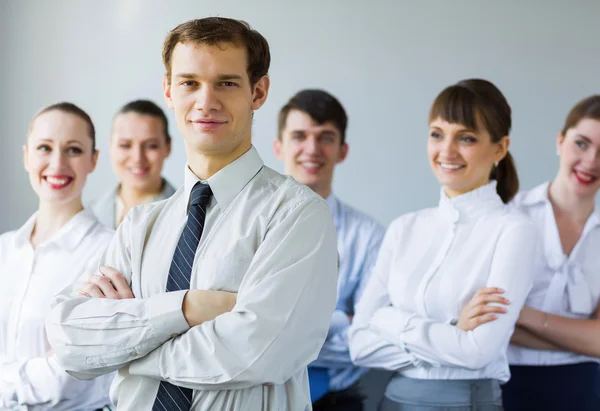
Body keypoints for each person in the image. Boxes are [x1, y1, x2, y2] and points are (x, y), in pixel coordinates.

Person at [46, 17, 338, 411]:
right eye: (189, 83)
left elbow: (257, 352)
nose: (206, 101)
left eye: (226, 83)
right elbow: (69, 341)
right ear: (169, 90)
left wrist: (128, 354)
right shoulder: (140, 225)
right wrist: (187, 308)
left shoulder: (297, 215)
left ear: (258, 92)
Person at [348, 79, 539, 410]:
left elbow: (478, 352)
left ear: (500, 148)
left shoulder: (514, 231)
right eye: (437, 134)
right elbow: (359, 345)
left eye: (466, 138)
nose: (447, 151)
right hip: (393, 401)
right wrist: (451, 330)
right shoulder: (403, 228)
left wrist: (387, 320)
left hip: (464, 403)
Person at [459, 95, 600, 410]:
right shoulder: (508, 214)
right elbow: (473, 313)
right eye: (582, 143)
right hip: (501, 383)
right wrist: (581, 337)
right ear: (560, 142)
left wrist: (518, 315)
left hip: (582, 392)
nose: (591, 161)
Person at [274, 89, 385, 410]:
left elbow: (371, 337)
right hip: (254, 396)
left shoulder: (370, 236)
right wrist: (340, 319)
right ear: (279, 146)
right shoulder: (246, 227)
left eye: (325, 137)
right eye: (299, 136)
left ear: (342, 150)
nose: (312, 149)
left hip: (338, 402)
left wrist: (281, 332)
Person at [0, 103, 114, 410]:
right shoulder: (4, 250)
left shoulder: (109, 253)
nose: (57, 163)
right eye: (44, 148)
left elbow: (66, 375)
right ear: (26, 156)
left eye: (73, 150)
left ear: (93, 160)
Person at [90, 100, 175, 228]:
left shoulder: (190, 216)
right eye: (125, 145)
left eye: (151, 146)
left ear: (168, 147)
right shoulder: (87, 215)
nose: (137, 158)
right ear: (110, 146)